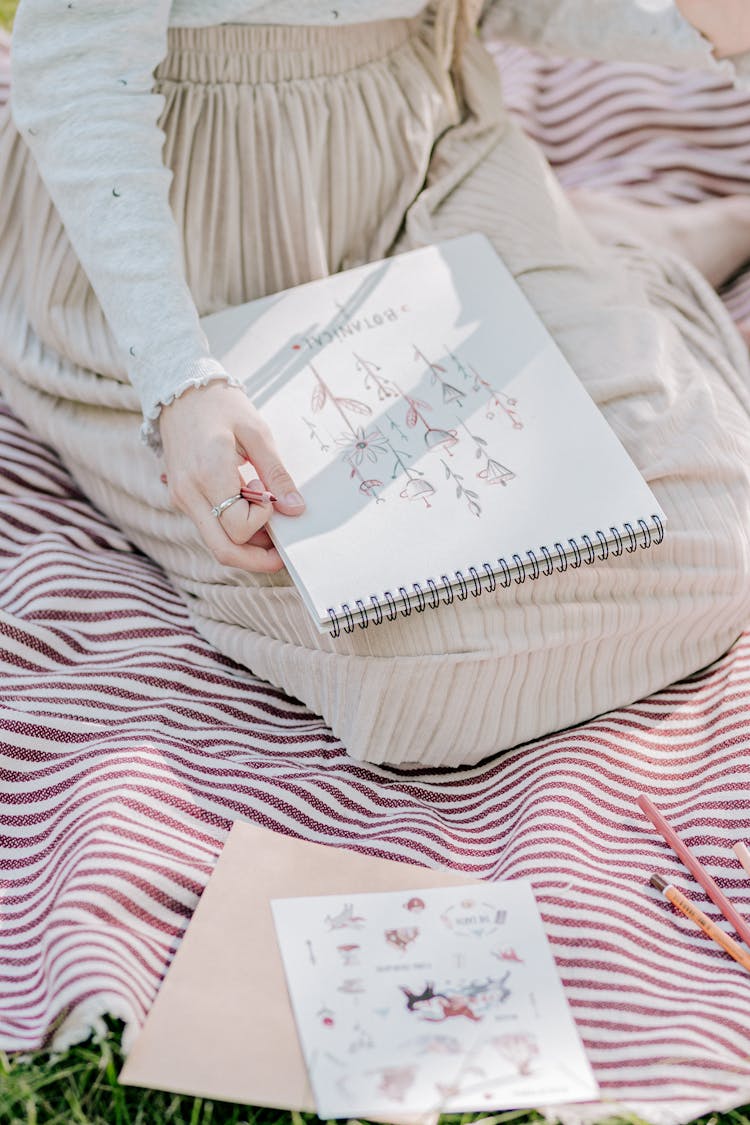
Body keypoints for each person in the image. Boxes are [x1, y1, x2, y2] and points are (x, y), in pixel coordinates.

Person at [1, 0, 749, 767]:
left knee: (714, 539)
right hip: (196, 217)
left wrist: (702, 23)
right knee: (412, 673)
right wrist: (181, 379)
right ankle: (621, 244)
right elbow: (76, 65)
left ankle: (607, 243)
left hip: (429, 150)